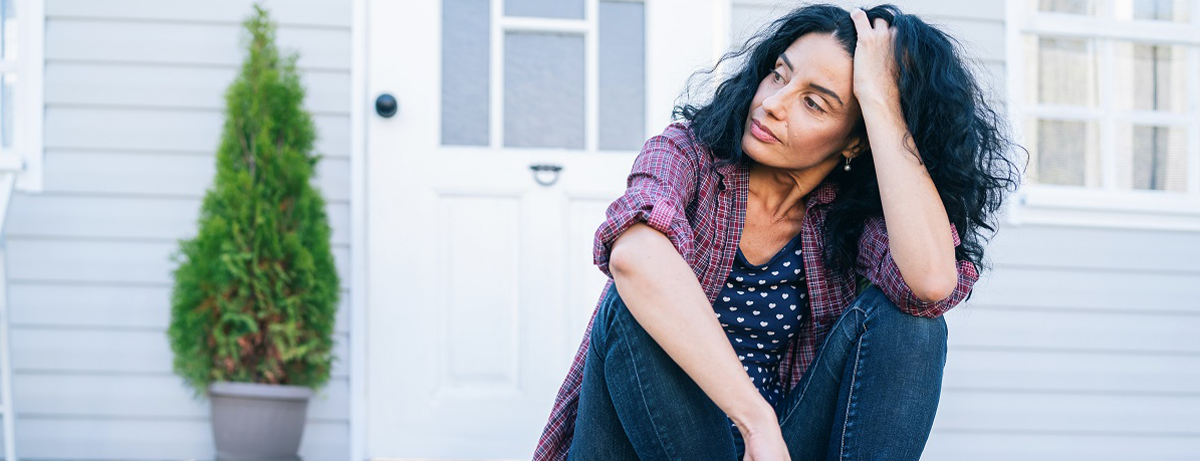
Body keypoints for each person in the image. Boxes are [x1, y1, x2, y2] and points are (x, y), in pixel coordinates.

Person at [533, 3, 1024, 461]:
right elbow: (633, 258)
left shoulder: (849, 220)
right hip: (649, 436)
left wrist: (880, 103)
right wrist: (755, 421)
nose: (772, 103)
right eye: (779, 74)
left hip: (775, 448)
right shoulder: (686, 156)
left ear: (856, 140)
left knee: (913, 323)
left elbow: (931, 284)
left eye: (814, 103)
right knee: (635, 297)